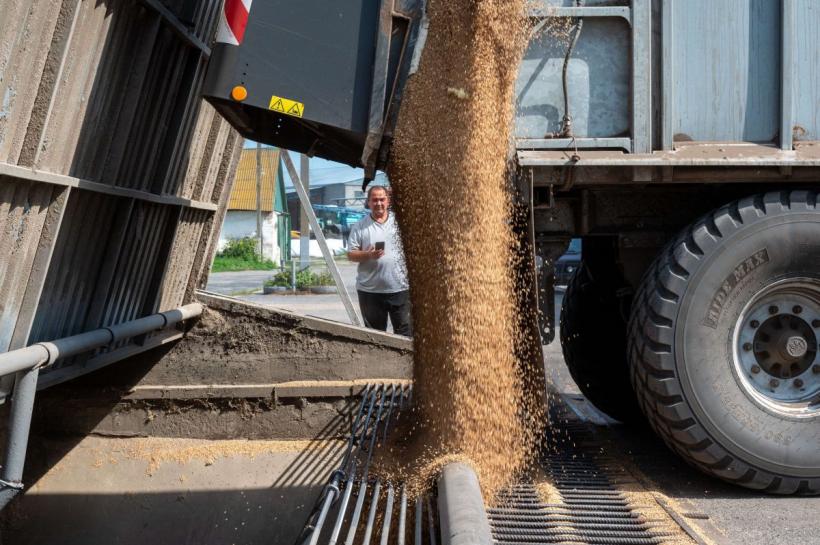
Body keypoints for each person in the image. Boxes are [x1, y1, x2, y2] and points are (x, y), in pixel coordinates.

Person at [347, 186, 412, 336]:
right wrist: (367, 255)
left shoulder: (401, 223)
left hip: (400, 288)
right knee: (375, 336)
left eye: (382, 199)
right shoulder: (360, 227)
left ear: (388, 201)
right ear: (368, 203)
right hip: (370, 292)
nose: (379, 203)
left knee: (405, 334)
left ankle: (401, 361)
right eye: (375, 200)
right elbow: (351, 255)